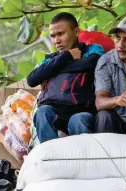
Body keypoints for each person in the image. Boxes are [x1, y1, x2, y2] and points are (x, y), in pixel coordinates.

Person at [26, 12, 104, 143]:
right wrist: (66, 56)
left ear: (76, 32)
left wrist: (53, 69)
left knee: (77, 121)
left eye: (61, 34)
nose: (56, 40)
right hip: (55, 112)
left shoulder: (93, 50)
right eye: (53, 36)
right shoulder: (51, 59)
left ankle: (85, 161)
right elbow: (32, 79)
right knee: (42, 112)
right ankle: (52, 160)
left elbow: (91, 64)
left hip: (83, 111)